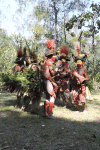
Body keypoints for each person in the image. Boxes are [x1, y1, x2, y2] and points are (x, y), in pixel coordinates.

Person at [41, 39, 58, 119]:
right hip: (48, 80)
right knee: (53, 96)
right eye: (54, 55)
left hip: (44, 80)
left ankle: (45, 113)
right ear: (51, 56)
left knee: (47, 97)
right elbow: (52, 72)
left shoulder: (45, 61)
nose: (55, 57)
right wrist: (56, 70)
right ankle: (49, 114)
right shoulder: (50, 62)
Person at [71, 42, 89, 113]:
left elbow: (87, 78)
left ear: (82, 62)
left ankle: (85, 109)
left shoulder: (84, 70)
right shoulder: (74, 69)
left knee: (82, 100)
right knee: (75, 99)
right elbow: (72, 75)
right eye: (77, 61)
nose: (78, 63)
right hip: (75, 86)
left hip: (81, 87)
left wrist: (82, 78)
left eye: (80, 61)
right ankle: (79, 109)